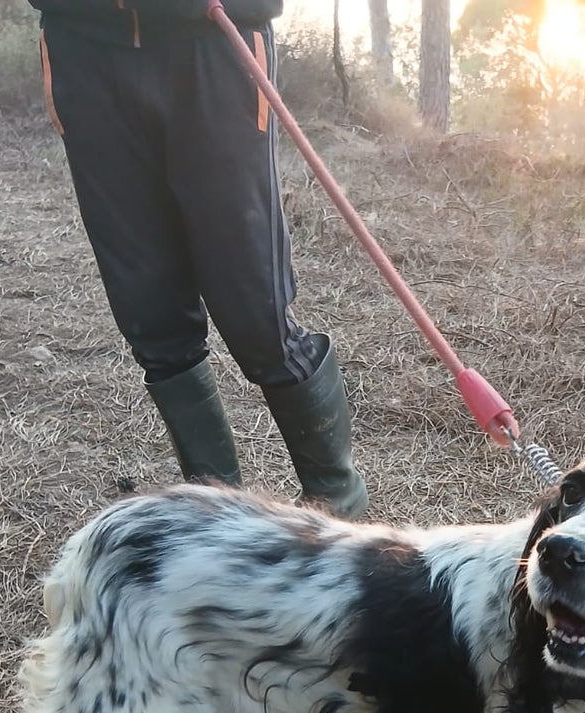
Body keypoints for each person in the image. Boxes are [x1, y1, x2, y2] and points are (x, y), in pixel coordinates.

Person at [31, 0, 367, 517]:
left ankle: (337, 508)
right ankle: (217, 520)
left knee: (258, 314)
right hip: (83, 43)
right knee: (150, 313)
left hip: (212, 38)